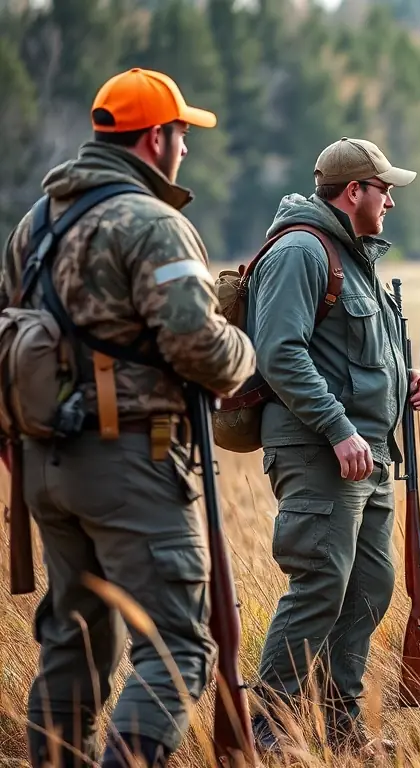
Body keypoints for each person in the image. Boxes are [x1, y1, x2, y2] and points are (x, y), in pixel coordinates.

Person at [0, 68, 256, 767]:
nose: (186, 149)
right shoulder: (153, 223)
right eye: (181, 134)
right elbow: (195, 343)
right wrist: (245, 350)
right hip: (128, 464)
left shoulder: (36, 223)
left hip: (44, 465)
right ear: (155, 139)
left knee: (75, 640)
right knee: (177, 647)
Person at [246, 137, 420, 755]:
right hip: (320, 450)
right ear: (355, 192)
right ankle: (268, 731)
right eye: (386, 191)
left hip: (368, 454)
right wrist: (339, 427)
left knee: (371, 585)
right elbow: (280, 353)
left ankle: (338, 727)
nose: (391, 204)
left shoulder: (356, 256)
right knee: (322, 583)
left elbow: (353, 355)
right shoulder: (302, 251)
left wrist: (405, 383)